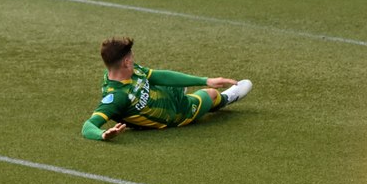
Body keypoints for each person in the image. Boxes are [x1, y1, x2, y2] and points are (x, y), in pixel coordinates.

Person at [81, 37, 252, 141]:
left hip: (166, 95)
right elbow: (88, 126)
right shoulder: (117, 97)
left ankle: (179, 90)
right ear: (125, 62)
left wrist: (206, 80)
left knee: (172, 82)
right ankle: (226, 98)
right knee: (212, 94)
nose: (133, 59)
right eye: (131, 57)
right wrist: (103, 134)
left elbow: (159, 76)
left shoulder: (130, 71)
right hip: (176, 114)